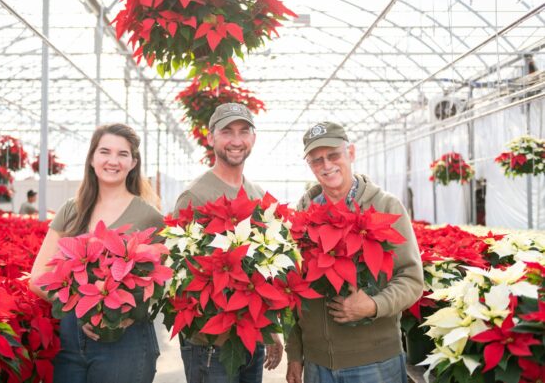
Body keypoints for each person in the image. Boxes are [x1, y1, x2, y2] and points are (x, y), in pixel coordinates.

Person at [285, 121, 423, 383]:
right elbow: (291, 286)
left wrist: (373, 305)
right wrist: (295, 353)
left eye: (333, 155)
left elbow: (412, 278)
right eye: (316, 160)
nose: (326, 165)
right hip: (317, 365)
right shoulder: (302, 213)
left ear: (351, 153)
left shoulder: (386, 205)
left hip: (374, 362)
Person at [29, 123, 163, 383]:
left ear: (133, 163)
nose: (113, 161)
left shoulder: (150, 216)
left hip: (125, 342)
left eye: (123, 154)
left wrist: (123, 315)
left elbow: (158, 285)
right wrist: (85, 308)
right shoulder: (72, 209)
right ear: (92, 158)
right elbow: (38, 277)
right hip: (71, 340)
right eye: (105, 152)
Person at [173, 103, 283, 383]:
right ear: (211, 138)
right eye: (226, 132)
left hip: (251, 338)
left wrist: (271, 330)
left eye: (243, 131)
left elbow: (268, 275)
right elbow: (179, 275)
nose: (236, 140)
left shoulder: (258, 195)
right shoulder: (194, 196)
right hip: (209, 345)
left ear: (253, 139)